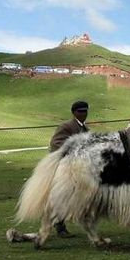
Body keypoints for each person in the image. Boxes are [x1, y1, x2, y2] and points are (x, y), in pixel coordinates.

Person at [48, 100, 90, 238]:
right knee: (62, 196)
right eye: (80, 111)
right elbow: (56, 144)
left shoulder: (86, 129)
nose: (83, 114)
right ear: (74, 113)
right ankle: (59, 226)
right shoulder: (66, 126)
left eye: (85, 111)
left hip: (78, 169)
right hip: (64, 167)